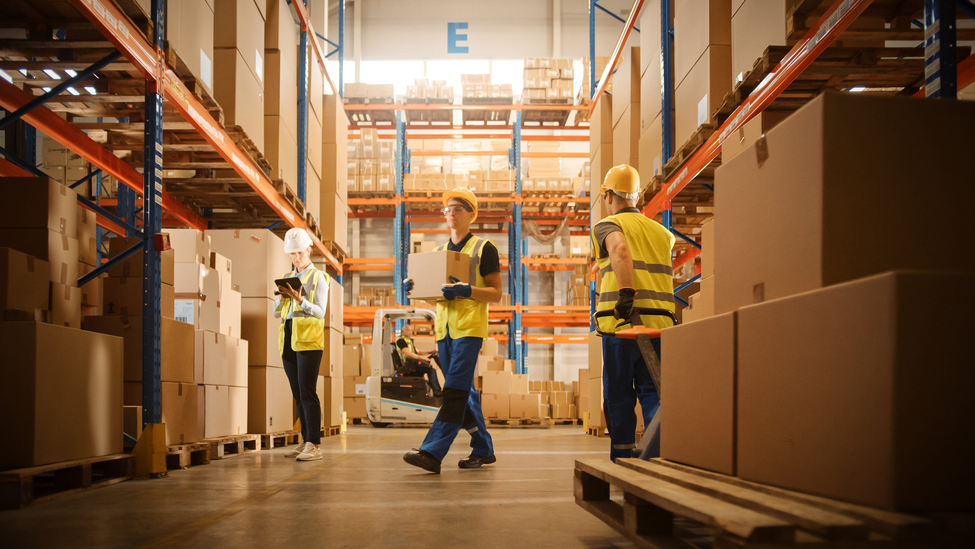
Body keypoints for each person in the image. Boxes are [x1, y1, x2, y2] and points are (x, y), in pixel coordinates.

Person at [401, 188, 503, 474]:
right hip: (444, 332)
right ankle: (483, 448)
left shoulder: (485, 248)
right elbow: (436, 295)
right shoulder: (437, 253)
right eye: (447, 209)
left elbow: (496, 293)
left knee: (454, 391)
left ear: (472, 214)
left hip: (469, 330)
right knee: (464, 393)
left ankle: (432, 453)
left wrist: (467, 290)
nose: (451, 213)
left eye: (458, 208)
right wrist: (415, 290)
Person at [591, 165, 675, 462]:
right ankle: (655, 459)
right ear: (637, 197)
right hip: (660, 326)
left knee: (619, 396)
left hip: (622, 324)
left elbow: (620, 251)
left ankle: (623, 460)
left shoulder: (607, 225)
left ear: (609, 195)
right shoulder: (664, 234)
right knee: (653, 392)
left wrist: (626, 293)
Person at [275, 228, 329, 462]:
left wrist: (300, 300)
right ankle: (305, 439)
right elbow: (280, 312)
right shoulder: (288, 277)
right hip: (289, 340)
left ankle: (314, 445)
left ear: (309, 250)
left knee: (308, 392)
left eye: (300, 252)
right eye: (292, 253)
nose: (296, 257)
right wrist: (279, 300)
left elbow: (320, 312)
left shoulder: (319, 277)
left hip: (308, 342)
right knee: (297, 394)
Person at [396, 324, 442, 395]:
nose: (410, 332)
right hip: (407, 365)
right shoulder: (401, 341)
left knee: (431, 368)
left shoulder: (408, 341)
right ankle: (437, 391)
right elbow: (407, 353)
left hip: (411, 362)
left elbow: (418, 351)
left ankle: (435, 389)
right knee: (430, 368)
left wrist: (430, 351)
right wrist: (421, 358)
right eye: (408, 330)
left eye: (411, 330)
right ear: (403, 331)